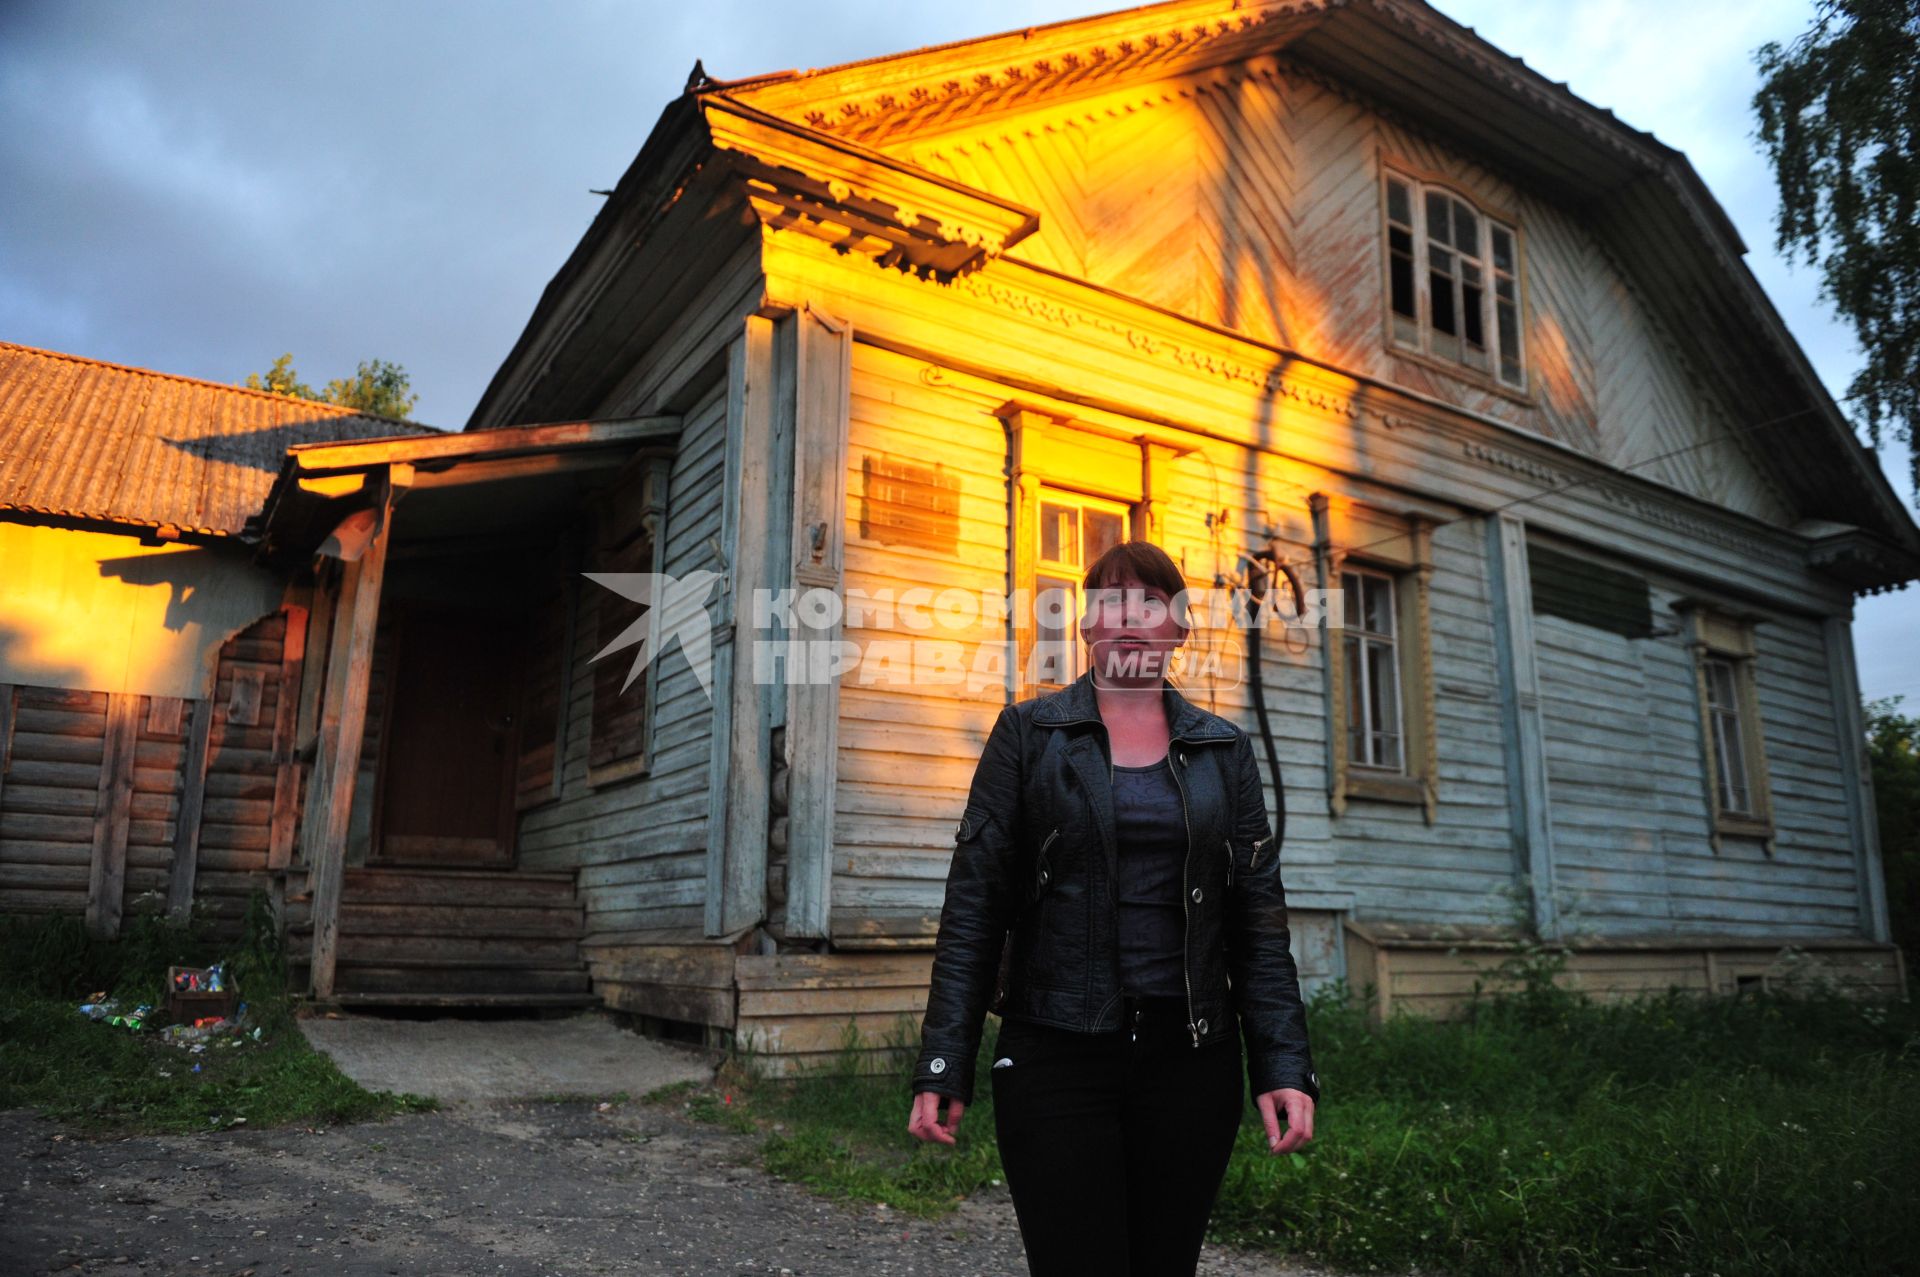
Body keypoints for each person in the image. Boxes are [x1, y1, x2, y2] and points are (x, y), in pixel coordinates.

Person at [905, 539, 1318, 1276]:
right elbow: (975, 905)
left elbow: (1258, 923)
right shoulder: (1028, 737)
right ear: (1087, 625)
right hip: (1054, 1052)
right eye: (1110, 602)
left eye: (1150, 601)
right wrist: (945, 1060)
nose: (1129, 619)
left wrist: (1283, 1063)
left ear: (1180, 626)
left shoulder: (1226, 750)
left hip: (1192, 1061)